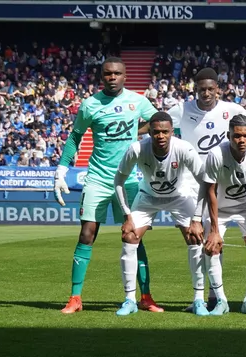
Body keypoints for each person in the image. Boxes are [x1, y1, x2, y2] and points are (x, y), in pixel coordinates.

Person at [53, 56, 161, 314]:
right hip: (98, 178)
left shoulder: (138, 102)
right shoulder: (90, 105)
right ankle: (75, 298)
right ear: (101, 77)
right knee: (87, 234)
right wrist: (61, 169)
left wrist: (140, 132)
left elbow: (160, 122)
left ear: (125, 76)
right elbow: (75, 136)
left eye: (117, 74)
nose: (112, 78)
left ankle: (145, 296)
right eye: (107, 74)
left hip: (130, 180)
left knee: (135, 237)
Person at [167, 67, 246, 311]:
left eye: (210, 89)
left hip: (223, 183)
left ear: (219, 89)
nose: (206, 93)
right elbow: (156, 123)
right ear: (194, 89)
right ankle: (200, 297)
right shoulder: (180, 110)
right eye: (201, 89)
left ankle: (216, 298)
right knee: (195, 241)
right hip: (192, 183)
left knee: (215, 238)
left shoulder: (233, 110)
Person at [112, 111, 206, 316]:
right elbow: (118, 181)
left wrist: (197, 219)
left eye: (165, 132)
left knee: (195, 237)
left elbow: (205, 183)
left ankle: (199, 299)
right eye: (156, 132)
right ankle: (129, 300)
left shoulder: (184, 149)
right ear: (149, 133)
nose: (160, 136)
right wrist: (127, 215)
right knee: (129, 237)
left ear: (172, 132)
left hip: (179, 197)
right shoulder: (136, 149)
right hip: (147, 197)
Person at [201, 114, 246, 316]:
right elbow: (210, 192)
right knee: (212, 247)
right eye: (236, 136)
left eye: (245, 136)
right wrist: (214, 230)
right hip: (219, 208)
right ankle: (221, 301)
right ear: (228, 135)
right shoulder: (215, 155)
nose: (241, 140)